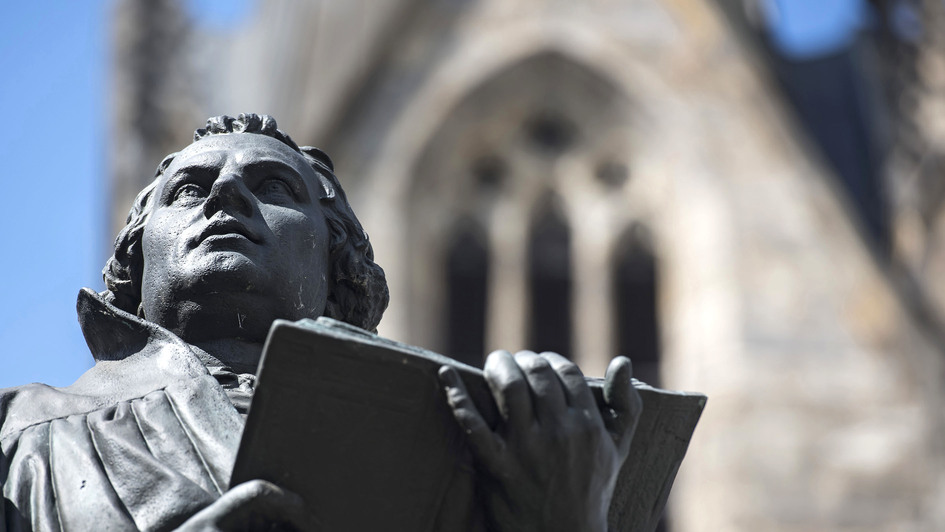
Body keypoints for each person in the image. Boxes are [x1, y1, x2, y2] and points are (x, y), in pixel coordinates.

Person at [0, 114, 641, 531]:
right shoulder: (19, 435)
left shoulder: (459, 453)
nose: (226, 194)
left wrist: (564, 518)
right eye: (188, 190)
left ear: (339, 270)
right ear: (135, 264)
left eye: (275, 188)